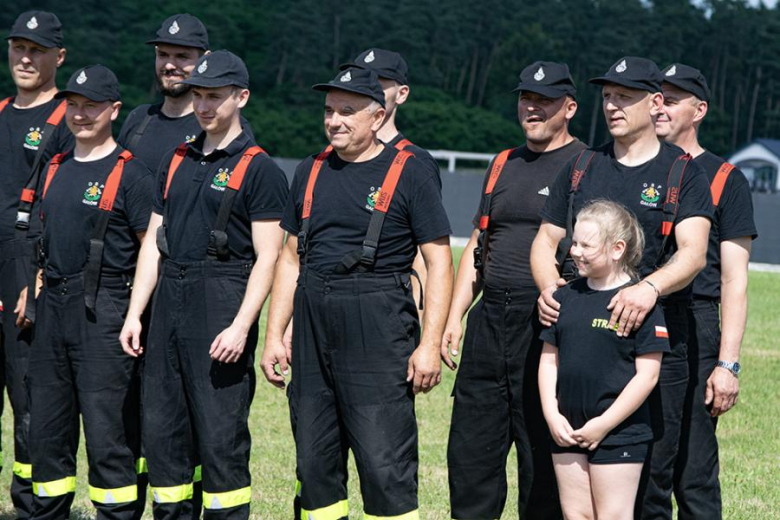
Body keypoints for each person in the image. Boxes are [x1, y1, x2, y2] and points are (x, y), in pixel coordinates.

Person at [261, 67, 453, 520]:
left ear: (377, 116)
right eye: (329, 110)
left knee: (384, 465)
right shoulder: (309, 169)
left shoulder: (410, 171)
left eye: (348, 111)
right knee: (314, 461)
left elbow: (439, 262)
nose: (335, 121)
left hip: (378, 321)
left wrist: (428, 344)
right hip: (313, 321)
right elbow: (290, 258)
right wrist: (274, 333)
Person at [529, 56, 714, 519]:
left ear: (655, 103)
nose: (612, 105)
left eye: (624, 97)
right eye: (608, 96)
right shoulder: (581, 166)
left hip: (653, 343)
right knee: (567, 479)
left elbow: (693, 254)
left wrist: (647, 289)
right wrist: (553, 291)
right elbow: (544, 242)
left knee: (652, 483)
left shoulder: (683, 172)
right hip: (579, 346)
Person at [119, 50, 288, 519]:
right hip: (168, 304)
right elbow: (154, 242)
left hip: (220, 305)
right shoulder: (176, 160)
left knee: (219, 441)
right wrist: (136, 313)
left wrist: (240, 327)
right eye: (199, 95)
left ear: (242, 97)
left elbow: (269, 256)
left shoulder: (261, 169)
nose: (205, 105)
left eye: (215, 96)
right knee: (163, 437)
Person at [444, 61, 584, 520]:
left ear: (570, 107)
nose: (532, 107)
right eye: (526, 98)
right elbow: (479, 246)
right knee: (471, 461)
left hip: (546, 325)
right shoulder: (503, 162)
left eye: (544, 100)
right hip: (489, 323)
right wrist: (454, 317)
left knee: (541, 465)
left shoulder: (588, 165)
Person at [24, 64, 150, 520]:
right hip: (52, 309)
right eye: (73, 105)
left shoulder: (133, 176)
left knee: (108, 434)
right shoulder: (54, 167)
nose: (80, 115)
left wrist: (135, 313)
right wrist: (32, 285)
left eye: (91, 106)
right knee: (48, 432)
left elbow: (151, 247)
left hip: (104, 309)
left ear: (114, 110)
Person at [656, 63, 757, 519]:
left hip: (696, 323)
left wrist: (727, 364)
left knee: (693, 469)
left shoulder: (724, 178)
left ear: (699, 110)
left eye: (672, 99)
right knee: (641, 461)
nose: (660, 106)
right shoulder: (633, 166)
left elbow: (735, 279)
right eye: (656, 96)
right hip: (633, 316)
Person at [539, 200, 669, 520]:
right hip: (567, 429)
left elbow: (647, 376)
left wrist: (603, 425)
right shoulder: (564, 296)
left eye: (587, 245)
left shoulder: (639, 304)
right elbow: (548, 361)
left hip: (618, 433)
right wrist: (552, 416)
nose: (575, 252)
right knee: (577, 515)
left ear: (617, 249)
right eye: (575, 243)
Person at [0, 10, 72, 517]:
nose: (26, 58)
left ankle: (32, 507)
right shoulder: (0, 111)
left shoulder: (72, 120)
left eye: (38, 49)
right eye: (18, 47)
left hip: (28, 263)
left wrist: (37, 278)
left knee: (32, 403)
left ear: (58, 58)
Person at [117, 14, 209, 170]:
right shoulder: (138, 119)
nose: (169, 66)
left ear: (205, 61)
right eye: (163, 55)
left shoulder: (217, 126)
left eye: (182, 56)